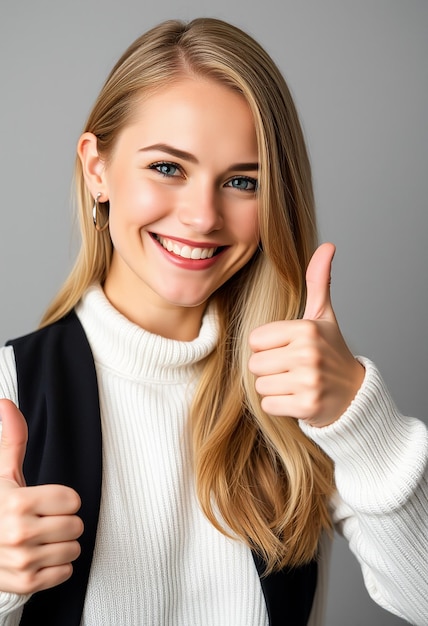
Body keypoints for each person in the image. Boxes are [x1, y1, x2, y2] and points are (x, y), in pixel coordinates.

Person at [0, 16, 426, 626]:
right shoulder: (11, 390)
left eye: (243, 181)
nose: (203, 217)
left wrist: (359, 419)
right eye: (168, 168)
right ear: (97, 170)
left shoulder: (299, 390)